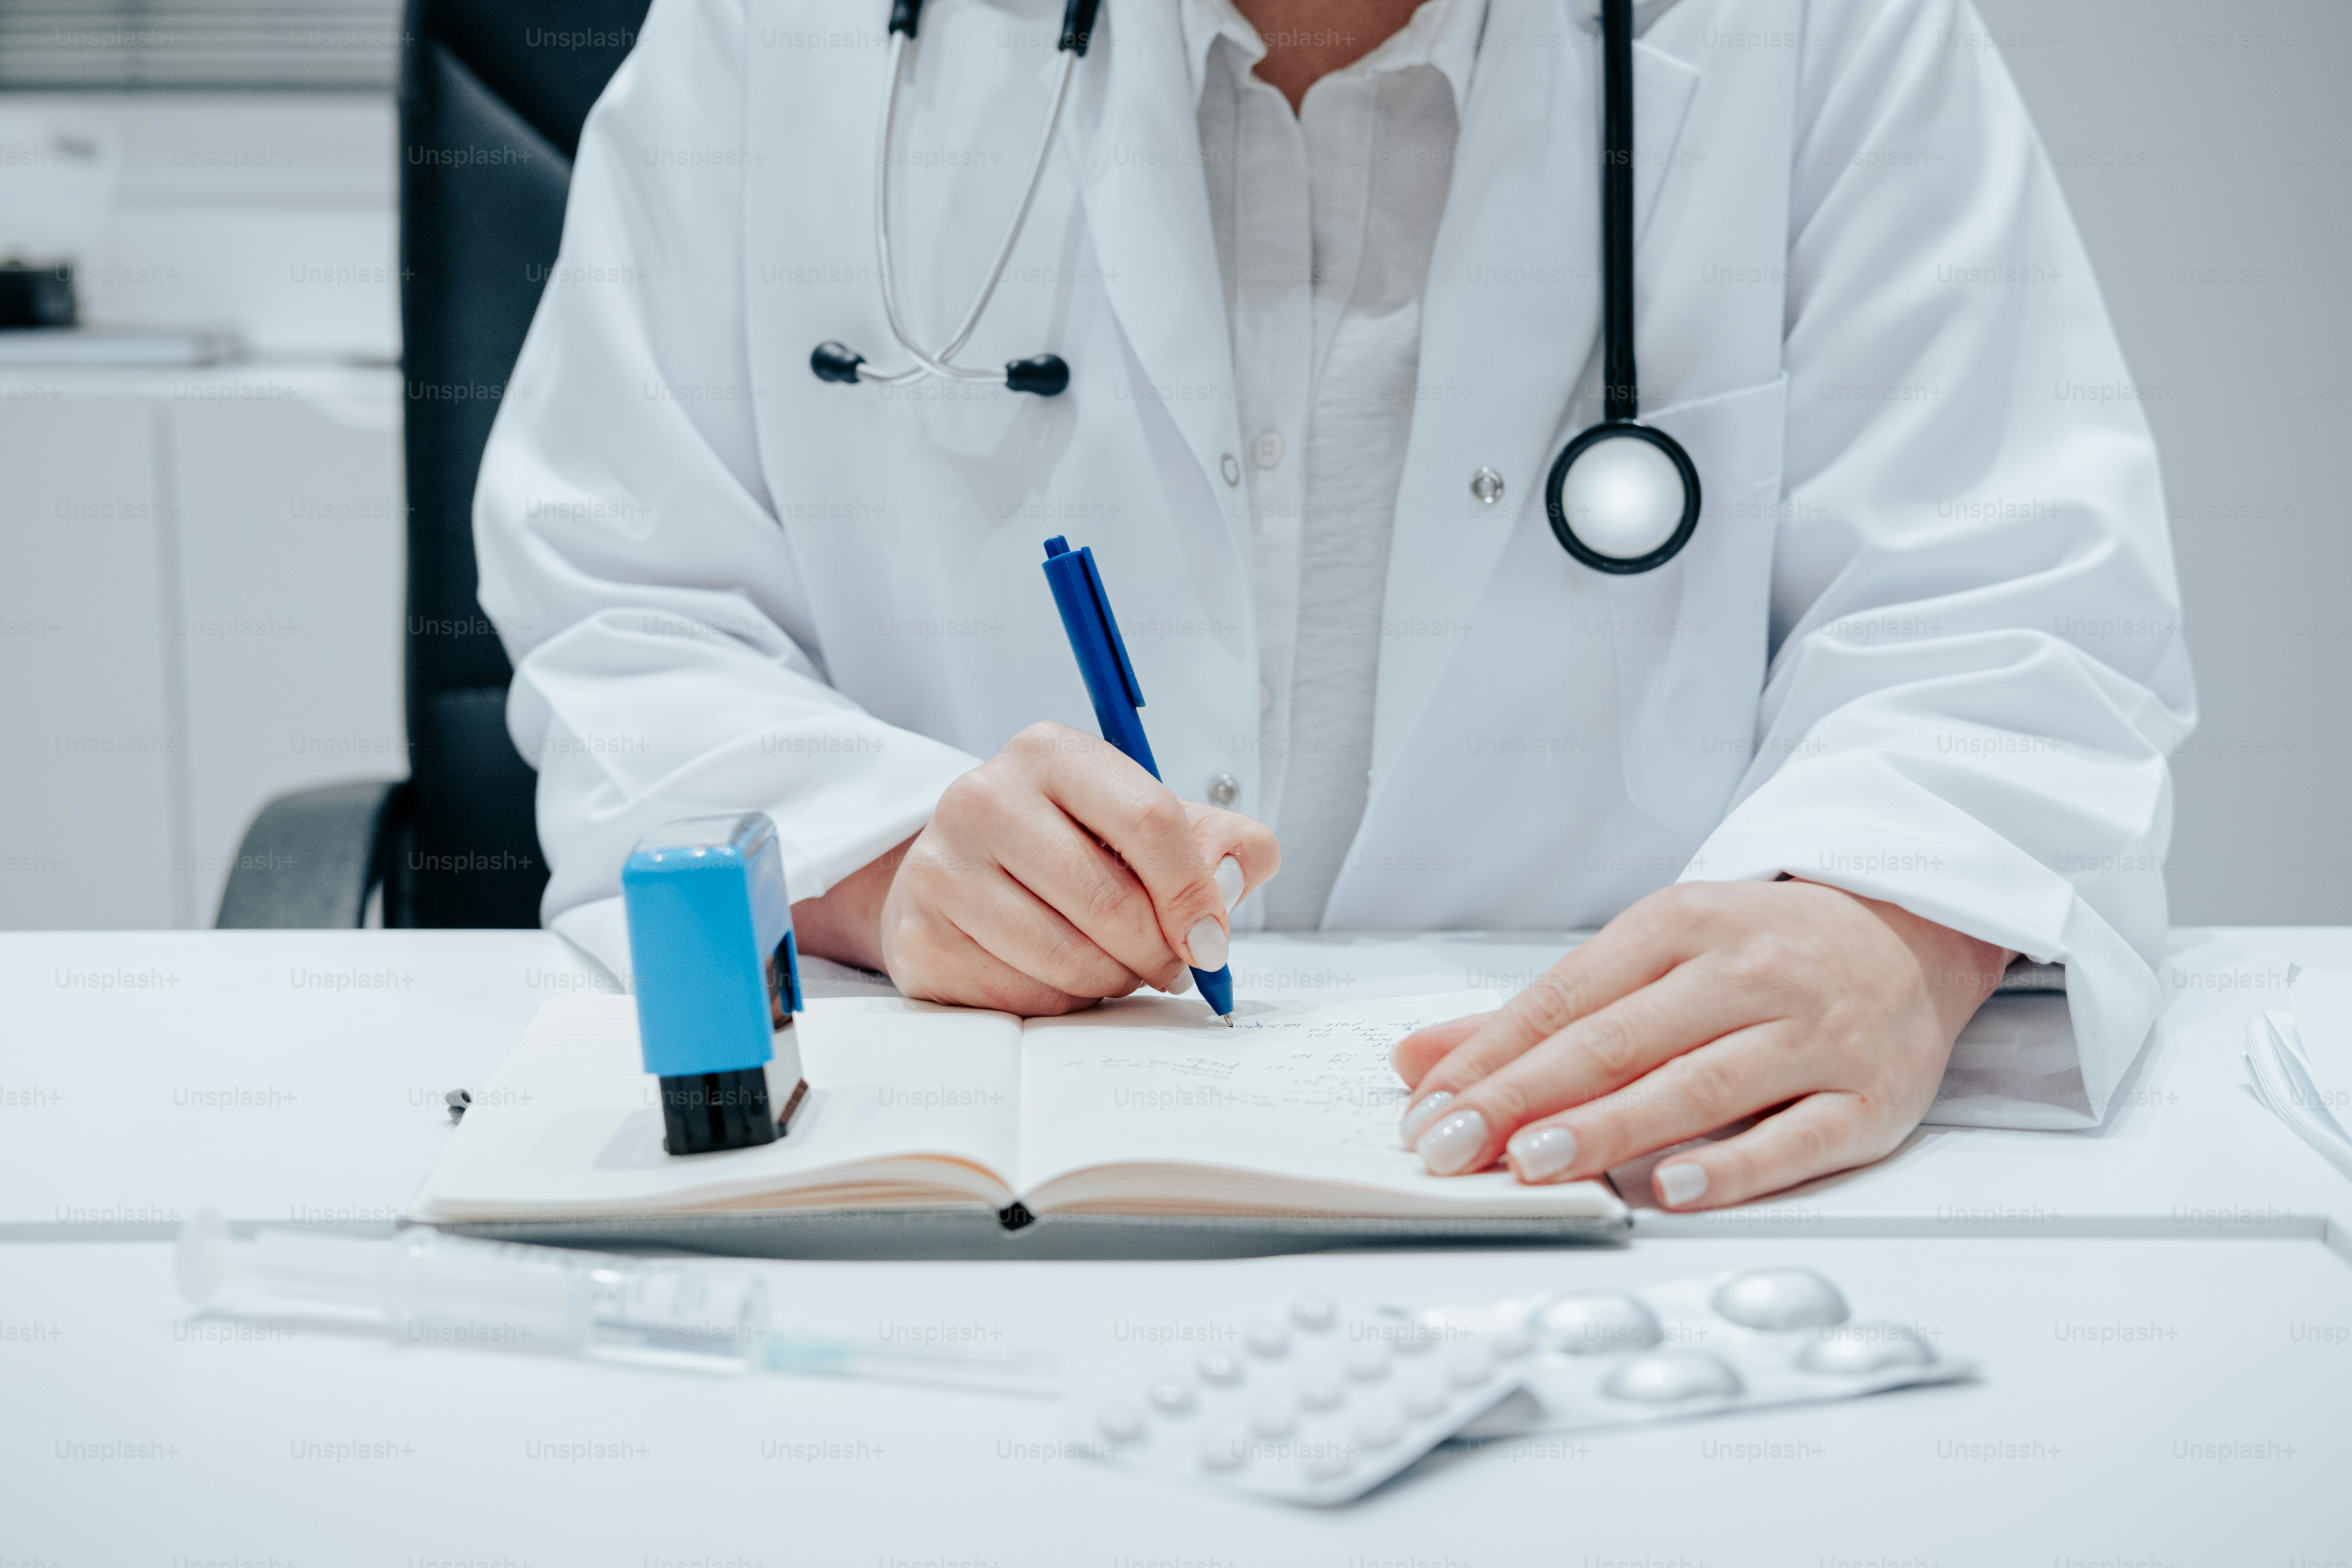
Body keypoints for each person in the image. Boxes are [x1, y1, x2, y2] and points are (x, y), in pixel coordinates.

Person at [472, 0, 2193, 1210]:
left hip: (1626, 1176)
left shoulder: (1820, 31)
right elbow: (627, 598)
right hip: (961, 1177)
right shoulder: (791, 32)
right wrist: (886, 865)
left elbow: (2013, 602)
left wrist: (1885, 926)